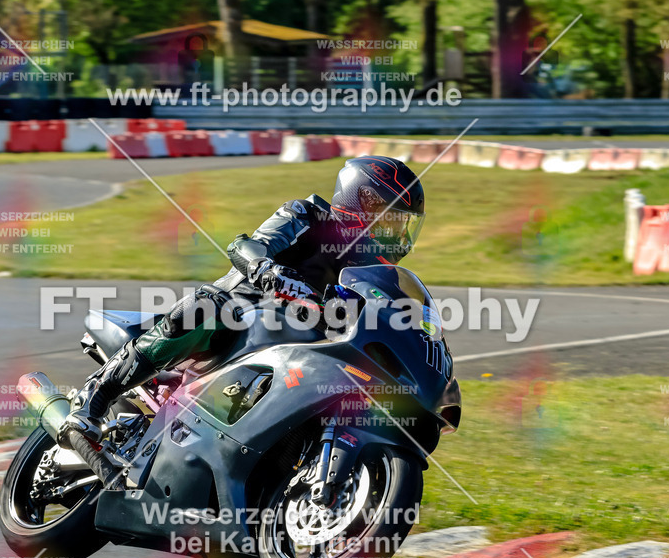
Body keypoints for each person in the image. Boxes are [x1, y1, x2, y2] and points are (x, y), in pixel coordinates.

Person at [58, 156, 427, 445]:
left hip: (302, 350)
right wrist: (266, 269)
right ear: (356, 202)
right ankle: (98, 394)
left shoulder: (371, 273)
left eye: (405, 226)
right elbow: (246, 245)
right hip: (245, 314)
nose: (397, 235)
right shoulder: (307, 215)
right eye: (391, 221)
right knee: (208, 310)